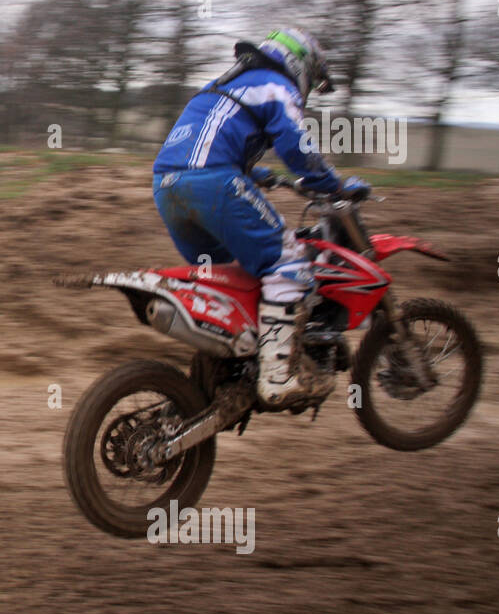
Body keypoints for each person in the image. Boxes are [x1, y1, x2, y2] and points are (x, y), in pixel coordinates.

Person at [151, 27, 369, 406]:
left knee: (231, 282)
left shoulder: (219, 86)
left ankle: (224, 370)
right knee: (288, 264)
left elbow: (204, 140)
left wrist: (257, 174)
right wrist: (331, 184)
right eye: (311, 79)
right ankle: (277, 378)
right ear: (299, 64)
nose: (307, 88)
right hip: (213, 184)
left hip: (166, 187)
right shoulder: (275, 86)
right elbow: (296, 144)